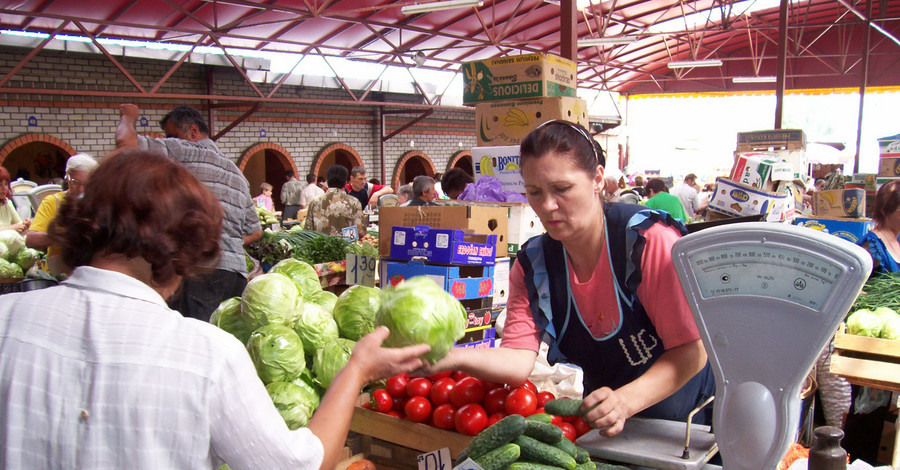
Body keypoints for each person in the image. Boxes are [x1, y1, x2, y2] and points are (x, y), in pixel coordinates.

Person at [0, 150, 431, 470]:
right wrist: (355, 369)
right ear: (184, 245)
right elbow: (296, 466)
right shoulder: (205, 353)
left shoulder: (8, 319)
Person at [421, 121, 714, 437]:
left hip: (686, 427)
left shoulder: (646, 244)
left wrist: (627, 400)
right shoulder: (535, 265)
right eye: (534, 192)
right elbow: (519, 361)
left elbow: (693, 350)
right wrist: (447, 356)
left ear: (597, 179)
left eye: (561, 189)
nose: (547, 206)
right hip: (610, 428)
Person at [116, 104, 262, 322]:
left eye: (172, 135)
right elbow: (256, 231)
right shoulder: (237, 174)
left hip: (200, 274)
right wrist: (226, 241)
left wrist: (129, 116)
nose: (169, 140)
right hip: (235, 277)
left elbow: (126, 144)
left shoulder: (183, 151)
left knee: (196, 345)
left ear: (193, 131)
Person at [842, 179, 900, 463]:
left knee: (884, 409)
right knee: (865, 409)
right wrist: (871, 300)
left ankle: (873, 459)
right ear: (890, 209)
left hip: (890, 343)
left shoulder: (897, 241)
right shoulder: (872, 244)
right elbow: (852, 286)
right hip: (870, 342)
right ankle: (856, 458)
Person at [25, 152, 98, 277]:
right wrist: (59, 234)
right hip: (60, 276)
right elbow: (31, 240)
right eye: (75, 182)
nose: (81, 190)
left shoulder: (99, 203)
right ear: (67, 178)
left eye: (86, 184)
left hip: (91, 274)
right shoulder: (53, 202)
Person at [305, 165, 367, 237]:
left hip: (320, 247)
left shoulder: (314, 202)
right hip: (346, 246)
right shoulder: (353, 202)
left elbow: (307, 232)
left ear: (327, 181)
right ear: (345, 183)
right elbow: (360, 231)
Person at [0, 166, 30, 234]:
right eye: (0, 185)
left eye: (6, 184)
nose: (4, 188)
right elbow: (15, 227)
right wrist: (12, 228)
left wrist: (25, 224)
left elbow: (18, 224)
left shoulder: (8, 203)